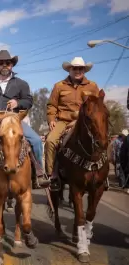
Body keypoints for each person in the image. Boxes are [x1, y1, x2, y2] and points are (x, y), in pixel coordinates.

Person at [0, 50, 48, 196]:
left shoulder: (21, 83)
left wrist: (18, 102)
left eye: (8, 63)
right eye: (1, 63)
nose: (5, 65)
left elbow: (29, 101)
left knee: (36, 140)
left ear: (12, 65)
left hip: (13, 121)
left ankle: (39, 174)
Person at [45, 57, 99, 190]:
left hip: (84, 121)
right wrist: (51, 120)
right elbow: (51, 106)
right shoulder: (59, 86)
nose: (78, 71)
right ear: (69, 69)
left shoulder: (92, 86)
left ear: (84, 70)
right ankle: (52, 175)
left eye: (80, 68)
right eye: (74, 68)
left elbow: (98, 106)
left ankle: (100, 174)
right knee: (50, 141)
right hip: (63, 120)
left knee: (99, 140)